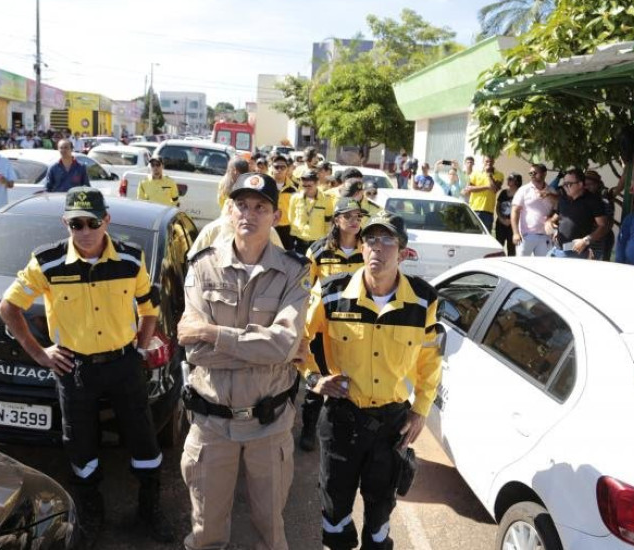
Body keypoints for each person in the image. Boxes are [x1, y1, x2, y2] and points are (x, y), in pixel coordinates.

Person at [0, 187, 174, 544]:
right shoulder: (47, 263)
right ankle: (91, 516)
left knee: (144, 439)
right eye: (76, 224)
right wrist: (40, 354)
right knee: (80, 446)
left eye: (92, 222)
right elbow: (8, 308)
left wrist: (139, 349)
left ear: (106, 221)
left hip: (124, 364)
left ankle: (149, 510)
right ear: (66, 223)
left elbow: (149, 308)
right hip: (74, 370)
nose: (85, 231)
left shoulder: (130, 259)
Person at [177, 172, 310, 550]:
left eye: (260, 207)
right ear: (229, 210)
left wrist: (213, 332)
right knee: (206, 532)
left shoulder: (294, 270)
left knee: (270, 529)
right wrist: (259, 348)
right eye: (241, 205)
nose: (249, 213)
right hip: (211, 424)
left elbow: (284, 344)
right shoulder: (202, 267)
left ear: (276, 216)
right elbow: (193, 351)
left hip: (268, 427)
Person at [302, 209, 441, 550]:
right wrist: (314, 378)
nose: (377, 247)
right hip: (341, 420)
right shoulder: (332, 293)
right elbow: (298, 339)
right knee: (335, 509)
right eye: (370, 239)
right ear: (361, 248)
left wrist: (421, 408)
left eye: (387, 240)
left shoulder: (423, 300)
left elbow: (430, 357)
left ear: (404, 251)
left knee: (380, 511)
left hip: (391, 424)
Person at [299, 197, 366, 452]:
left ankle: (345, 433)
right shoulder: (318, 251)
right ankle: (308, 429)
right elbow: (304, 288)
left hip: (355, 328)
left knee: (349, 379)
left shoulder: (366, 250)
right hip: (320, 327)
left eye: (358, 217)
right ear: (336, 220)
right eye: (348, 216)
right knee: (317, 378)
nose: (354, 221)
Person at [545, 167, 608, 259]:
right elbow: (557, 216)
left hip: (576, 252)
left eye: (569, 184)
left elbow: (603, 226)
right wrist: (549, 223)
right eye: (564, 184)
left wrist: (586, 241)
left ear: (580, 184)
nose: (565, 187)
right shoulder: (563, 199)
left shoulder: (593, 201)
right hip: (556, 249)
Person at [511, 163, 554, 257]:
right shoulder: (523, 190)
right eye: (530, 173)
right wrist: (515, 233)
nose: (532, 175)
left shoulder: (552, 191)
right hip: (525, 236)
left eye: (535, 173)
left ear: (544, 173)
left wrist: (551, 219)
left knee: (543, 266)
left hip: (545, 236)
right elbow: (515, 211)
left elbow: (557, 209)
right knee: (522, 266)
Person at [289, 169, 334, 254]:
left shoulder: (326, 199)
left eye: (309, 186)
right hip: (299, 242)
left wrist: (327, 240)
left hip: (317, 243)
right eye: (304, 186)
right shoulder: (295, 198)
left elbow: (328, 222)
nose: (306, 188)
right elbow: (291, 218)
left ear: (317, 183)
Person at [582, 170, 616, 261]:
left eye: (590, 184)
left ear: (597, 184)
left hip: (601, 241)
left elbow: (608, 223)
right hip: (586, 241)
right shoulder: (583, 197)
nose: (587, 187)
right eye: (585, 184)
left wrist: (593, 239)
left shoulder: (604, 198)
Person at [463, 156, 502, 230]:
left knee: (485, 236)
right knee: (473, 233)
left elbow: (494, 190)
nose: (489, 163)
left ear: (493, 162)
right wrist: (487, 187)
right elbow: (469, 189)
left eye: (490, 161)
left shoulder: (499, 175)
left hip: (488, 211)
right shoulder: (475, 173)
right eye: (487, 161)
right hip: (475, 209)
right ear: (483, 161)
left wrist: (489, 175)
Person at [271, 154, 298, 250]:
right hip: (269, 226)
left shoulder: (293, 189)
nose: (279, 169)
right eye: (276, 167)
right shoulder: (266, 186)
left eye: (283, 167)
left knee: (287, 256)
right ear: (272, 168)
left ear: (287, 169)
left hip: (287, 229)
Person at [495, 173, 522, 255]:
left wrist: (511, 221)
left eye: (510, 179)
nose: (508, 180)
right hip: (501, 223)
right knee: (498, 247)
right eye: (508, 178)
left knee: (512, 249)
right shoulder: (503, 192)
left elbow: (522, 209)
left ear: (516, 181)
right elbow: (498, 207)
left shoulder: (520, 194)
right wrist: (501, 218)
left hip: (514, 225)